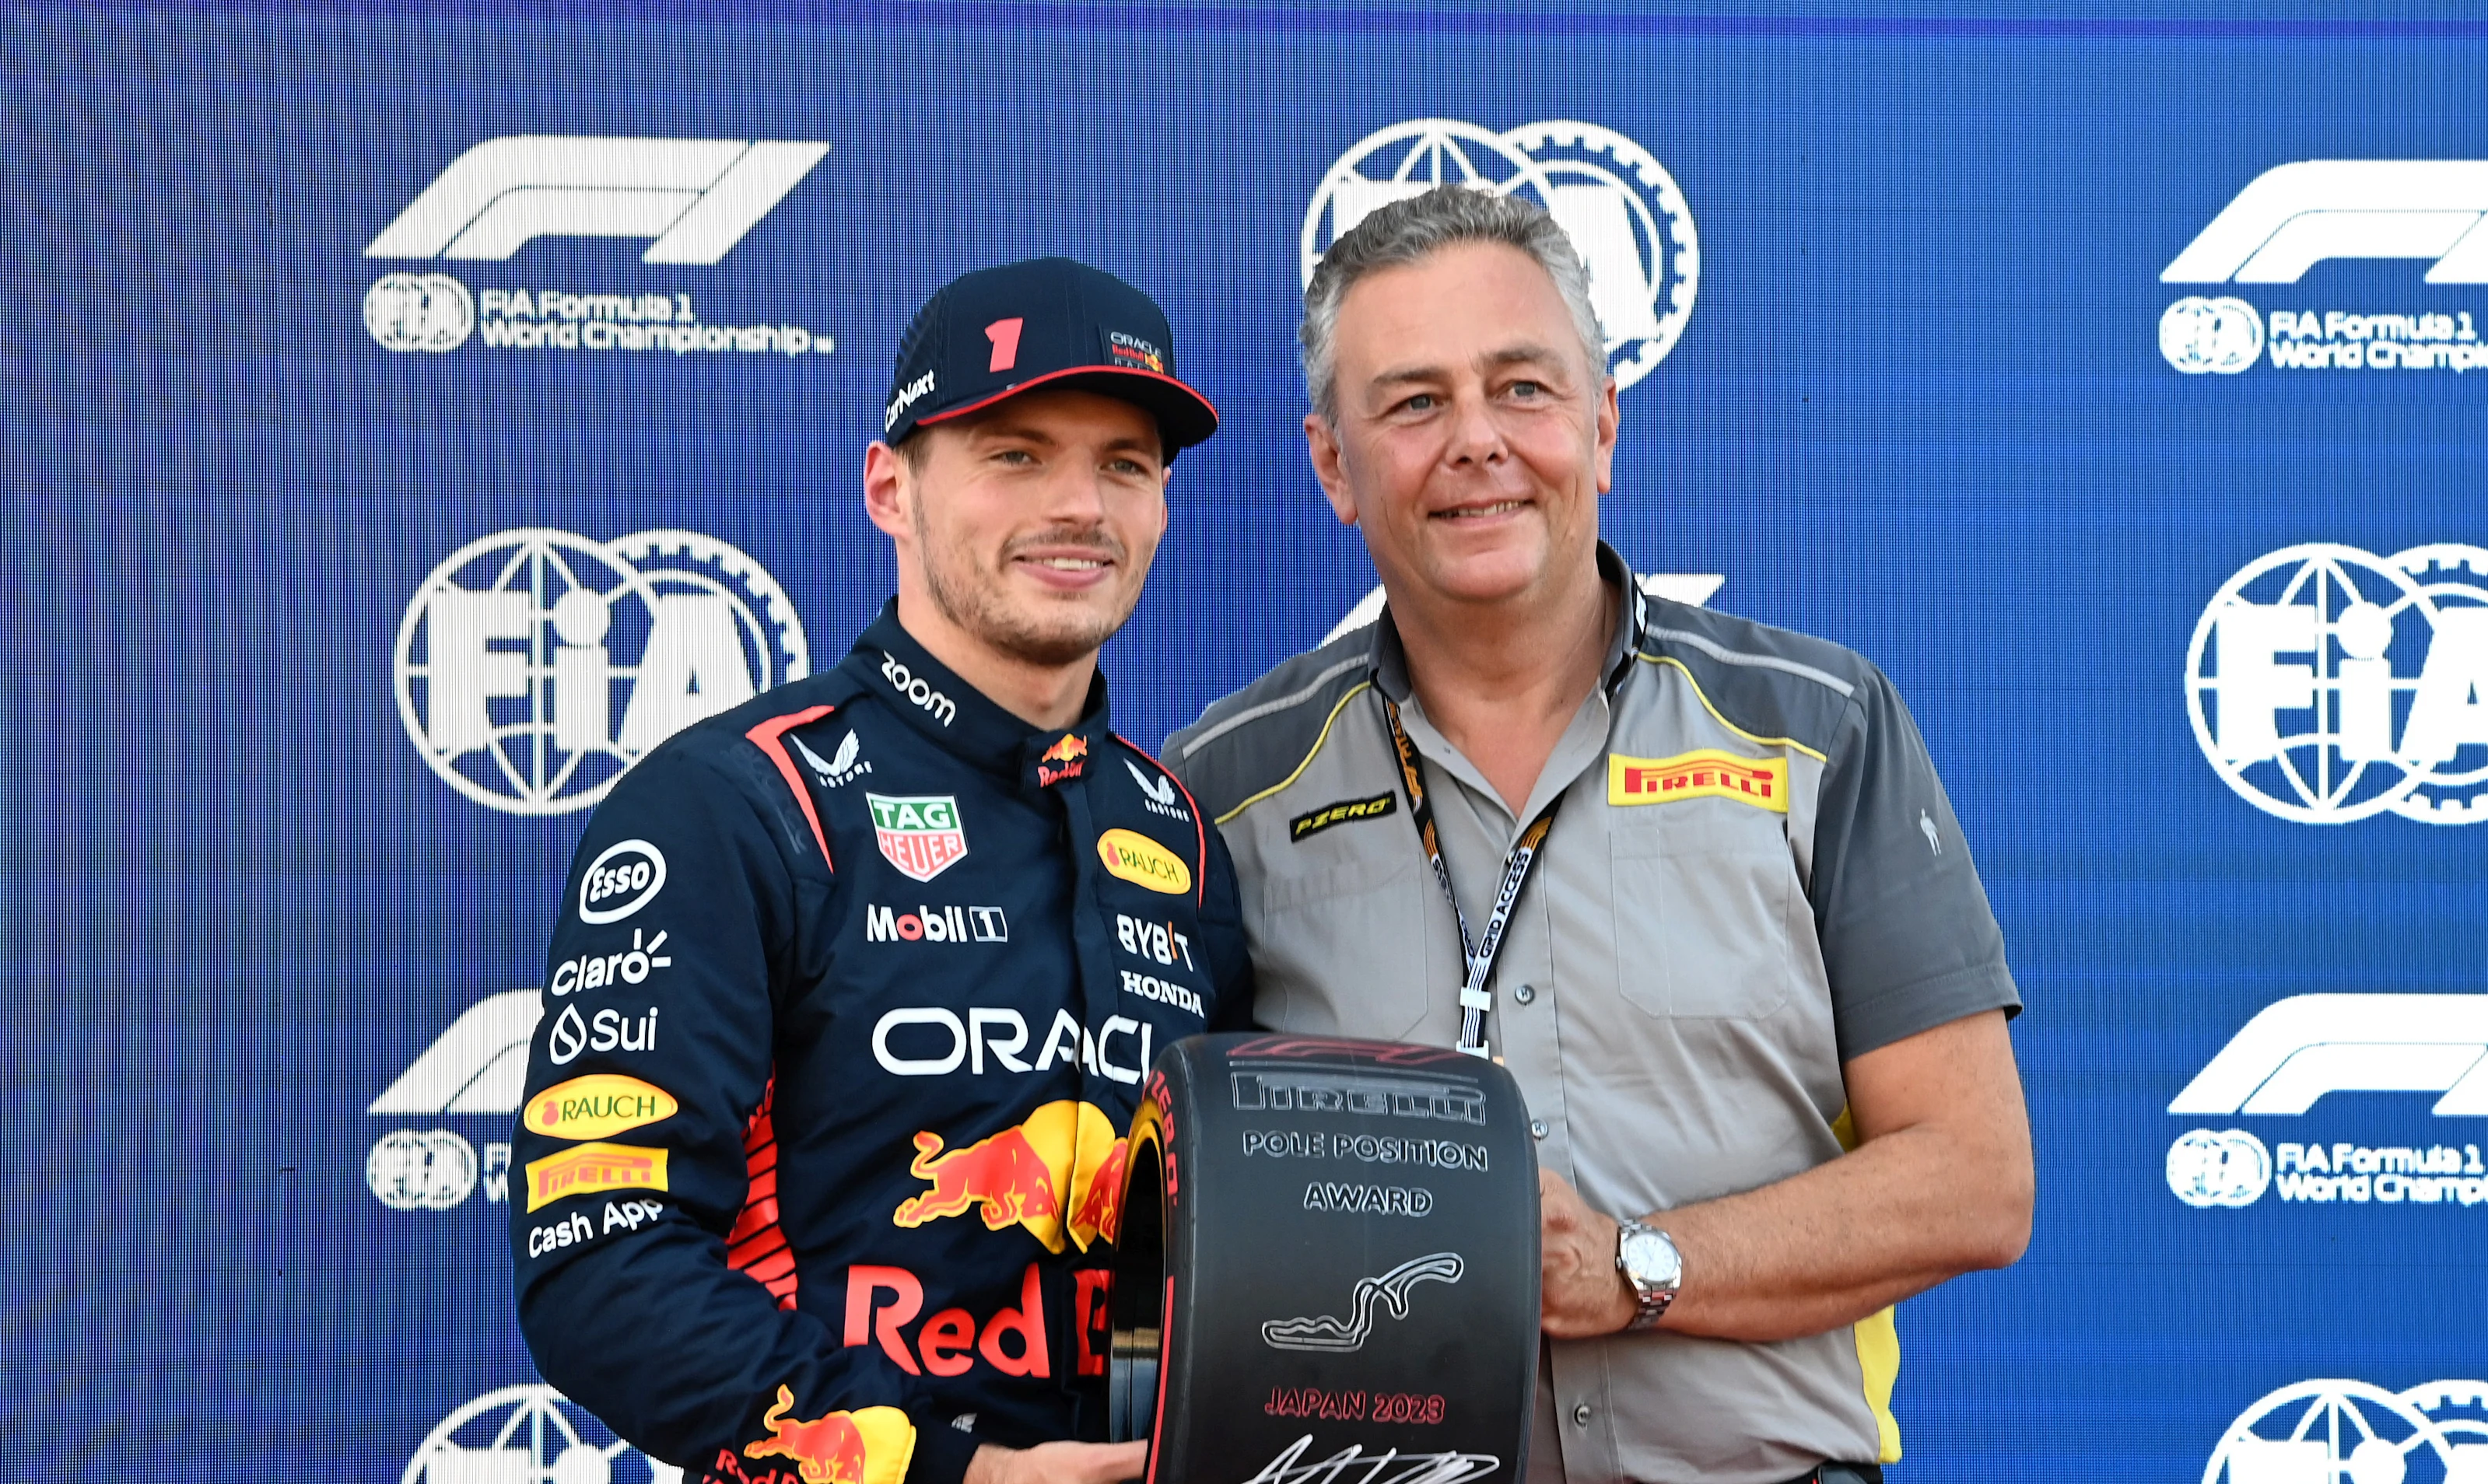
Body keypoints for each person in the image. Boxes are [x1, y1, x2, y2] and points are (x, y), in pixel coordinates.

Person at [1164, 186, 2033, 1484]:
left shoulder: (1819, 729)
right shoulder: (1221, 787)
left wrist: (1636, 1267)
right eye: (1413, 404)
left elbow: (1974, 1180)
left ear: (1603, 423)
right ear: (1333, 466)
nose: (1477, 442)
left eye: (1523, 388)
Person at [512, 257, 1252, 1484]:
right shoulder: (732, 804)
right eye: (1016, 454)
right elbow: (602, 1260)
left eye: (1125, 463)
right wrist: (949, 1476)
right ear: (889, 487)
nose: (1081, 504)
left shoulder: (1175, 831)